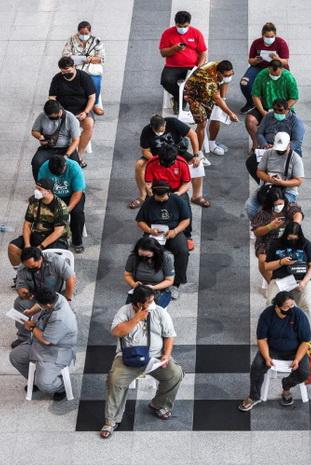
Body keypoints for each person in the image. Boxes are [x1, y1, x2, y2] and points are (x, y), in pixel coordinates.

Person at [100, 285, 183, 439]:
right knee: (114, 380)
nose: (152, 303)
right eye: (148, 301)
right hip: (128, 358)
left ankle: (159, 404)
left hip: (155, 357)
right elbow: (116, 332)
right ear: (138, 303)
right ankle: (111, 420)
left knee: (175, 374)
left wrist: (166, 355)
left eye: (152, 300)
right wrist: (137, 318)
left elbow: (169, 335)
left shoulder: (160, 312)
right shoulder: (124, 311)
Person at [238, 291, 311, 411]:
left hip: (295, 351)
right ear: (277, 306)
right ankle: (254, 396)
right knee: (256, 366)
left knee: (305, 372)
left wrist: (298, 359)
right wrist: (267, 358)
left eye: (292, 305)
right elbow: (262, 339)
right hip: (272, 350)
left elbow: (305, 341)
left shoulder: (298, 315)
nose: (290, 309)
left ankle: (286, 386)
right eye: (286, 307)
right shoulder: (267, 315)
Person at [9, 288, 78, 401]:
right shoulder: (54, 296)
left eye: (41, 306)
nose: (38, 307)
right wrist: (31, 311)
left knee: (45, 384)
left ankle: (60, 387)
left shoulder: (61, 318)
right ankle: (36, 380)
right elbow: (40, 305)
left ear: (48, 305)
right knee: (15, 356)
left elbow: (46, 340)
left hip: (56, 351)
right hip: (39, 343)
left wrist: (31, 327)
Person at [134, 114, 205, 210]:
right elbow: (145, 151)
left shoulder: (173, 123)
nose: (159, 133)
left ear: (165, 124)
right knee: (139, 165)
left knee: (198, 165)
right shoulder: (146, 131)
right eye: (157, 132)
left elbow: (193, 135)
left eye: (162, 131)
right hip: (157, 155)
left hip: (176, 151)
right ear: (151, 127)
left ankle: (196, 196)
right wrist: (157, 160)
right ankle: (143, 196)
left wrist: (196, 155)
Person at [135, 181, 190, 299]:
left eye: (163, 198)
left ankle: (176, 283)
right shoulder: (149, 202)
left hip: (173, 231)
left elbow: (186, 220)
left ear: (168, 193)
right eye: (158, 198)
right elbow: (140, 221)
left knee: (182, 251)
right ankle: (146, 279)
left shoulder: (177, 200)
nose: (160, 200)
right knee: (143, 250)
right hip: (154, 233)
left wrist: (175, 231)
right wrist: (150, 230)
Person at [11, 247, 76, 348]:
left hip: (57, 295)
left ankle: (57, 337)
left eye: (33, 266)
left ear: (40, 258)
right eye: (28, 266)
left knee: (64, 313)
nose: (30, 269)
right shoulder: (23, 267)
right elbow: (20, 287)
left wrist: (68, 299)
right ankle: (23, 338)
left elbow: (70, 278)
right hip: (36, 295)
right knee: (19, 303)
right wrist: (27, 295)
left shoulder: (55, 261)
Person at [265, 223, 311, 336]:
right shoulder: (276, 244)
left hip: (301, 279)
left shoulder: (306, 244)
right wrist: (281, 262)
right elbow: (267, 266)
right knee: (270, 303)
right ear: (285, 235)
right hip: (281, 279)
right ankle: (271, 332)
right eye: (290, 238)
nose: (292, 241)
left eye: (295, 238)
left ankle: (308, 336)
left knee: (307, 304)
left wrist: (304, 282)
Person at [7, 178, 70, 267]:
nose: (36, 191)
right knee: (12, 248)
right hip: (37, 234)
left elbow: (58, 232)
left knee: (49, 259)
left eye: (39, 189)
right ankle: (22, 271)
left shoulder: (60, 206)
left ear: (48, 191)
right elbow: (27, 224)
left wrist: (40, 247)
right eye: (36, 188)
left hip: (56, 239)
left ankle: (41, 274)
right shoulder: (34, 201)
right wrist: (27, 244)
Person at [144, 145, 196, 249]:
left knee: (185, 206)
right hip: (158, 189)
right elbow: (148, 182)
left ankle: (187, 235)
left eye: (170, 163)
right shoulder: (151, 163)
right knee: (148, 206)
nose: (167, 165)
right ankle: (148, 231)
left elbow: (186, 183)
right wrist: (150, 192)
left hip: (176, 190)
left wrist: (178, 193)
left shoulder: (181, 163)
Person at [183, 60, 239, 155]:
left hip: (209, 92)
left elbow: (224, 84)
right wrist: (230, 113)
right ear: (218, 73)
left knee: (217, 114)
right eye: (226, 76)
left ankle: (212, 144)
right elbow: (216, 98)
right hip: (194, 96)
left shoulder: (220, 67)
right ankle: (198, 153)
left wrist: (223, 99)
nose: (228, 77)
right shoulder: (209, 80)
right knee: (202, 123)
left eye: (230, 74)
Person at [49, 56, 96, 167]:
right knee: (66, 131)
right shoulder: (57, 79)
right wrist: (60, 112)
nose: (66, 74)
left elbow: (92, 97)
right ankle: (70, 153)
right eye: (63, 72)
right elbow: (52, 98)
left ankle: (78, 155)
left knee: (89, 125)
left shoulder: (84, 77)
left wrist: (85, 112)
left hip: (82, 110)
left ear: (74, 67)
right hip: (64, 112)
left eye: (68, 71)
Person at [245, 132, 304, 220]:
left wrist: (282, 182)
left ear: (288, 145)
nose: (280, 151)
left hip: (287, 190)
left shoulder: (295, 158)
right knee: (250, 207)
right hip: (268, 186)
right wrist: (270, 179)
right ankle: (258, 225)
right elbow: (259, 171)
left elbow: (299, 181)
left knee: (274, 210)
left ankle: (275, 226)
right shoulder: (268, 153)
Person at [251, 186, 304, 283]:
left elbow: (297, 213)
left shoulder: (288, 207)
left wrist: (295, 224)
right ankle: (272, 282)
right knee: (263, 262)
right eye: (276, 205)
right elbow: (257, 231)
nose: (279, 206)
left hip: (286, 239)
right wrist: (270, 226)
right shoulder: (263, 214)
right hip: (267, 241)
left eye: (280, 203)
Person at [159, 10, 208, 111]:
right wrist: (174, 49)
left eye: (185, 26)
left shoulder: (196, 33)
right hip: (173, 67)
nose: (182, 29)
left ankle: (182, 99)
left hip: (192, 66)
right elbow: (163, 53)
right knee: (165, 81)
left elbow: (203, 53)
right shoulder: (167, 33)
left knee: (202, 81)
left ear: (189, 24)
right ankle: (181, 97)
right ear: (175, 24)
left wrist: (199, 66)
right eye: (179, 26)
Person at [246, 60, 299, 152]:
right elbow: (255, 95)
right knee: (250, 120)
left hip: (283, 108)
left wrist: (283, 109)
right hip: (266, 107)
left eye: (276, 74)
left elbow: (294, 97)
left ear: (282, 69)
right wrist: (262, 111)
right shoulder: (262, 75)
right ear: (268, 68)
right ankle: (257, 144)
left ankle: (282, 147)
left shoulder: (288, 77)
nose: (274, 76)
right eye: (272, 74)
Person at [38, 155, 87, 253]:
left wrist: (67, 210)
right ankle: (51, 239)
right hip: (53, 195)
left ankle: (77, 241)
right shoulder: (44, 168)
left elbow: (78, 192)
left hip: (72, 194)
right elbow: (41, 188)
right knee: (43, 211)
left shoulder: (74, 167)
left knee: (77, 213)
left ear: (65, 166)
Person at [240, 22, 290, 114]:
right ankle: (251, 102)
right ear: (262, 35)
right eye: (267, 36)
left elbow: (285, 61)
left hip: (276, 67)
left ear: (275, 34)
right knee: (244, 82)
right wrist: (255, 61)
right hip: (259, 67)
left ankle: (278, 104)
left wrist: (277, 59)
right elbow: (250, 60)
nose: (269, 39)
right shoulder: (256, 43)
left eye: (272, 36)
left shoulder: (281, 43)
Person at [62, 20, 105, 116]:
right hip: (77, 68)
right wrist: (82, 59)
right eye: (82, 33)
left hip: (91, 69)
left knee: (95, 82)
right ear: (78, 32)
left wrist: (90, 60)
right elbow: (66, 56)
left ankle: (95, 103)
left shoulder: (96, 41)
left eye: (86, 33)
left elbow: (101, 58)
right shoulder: (71, 40)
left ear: (90, 32)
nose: (84, 35)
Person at [30, 100, 81, 180]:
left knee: (75, 165)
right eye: (50, 117)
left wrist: (66, 155)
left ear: (60, 111)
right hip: (48, 147)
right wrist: (40, 137)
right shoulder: (42, 116)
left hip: (66, 148)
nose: (53, 119)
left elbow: (76, 140)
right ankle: (40, 186)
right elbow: (34, 131)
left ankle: (76, 187)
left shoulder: (71, 118)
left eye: (55, 117)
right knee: (36, 162)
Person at [124, 237, 175, 309]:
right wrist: (133, 284)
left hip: (159, 290)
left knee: (152, 310)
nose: (144, 259)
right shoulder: (133, 257)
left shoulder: (166, 258)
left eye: (147, 256)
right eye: (141, 256)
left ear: (155, 253)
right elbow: (127, 274)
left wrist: (153, 287)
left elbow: (169, 280)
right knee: (130, 309)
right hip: (139, 289)